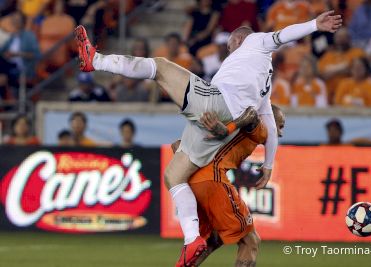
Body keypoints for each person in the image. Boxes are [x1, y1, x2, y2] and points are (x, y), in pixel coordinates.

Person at [75, 11, 342, 265]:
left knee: (160, 67)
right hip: (219, 126)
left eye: (229, 45)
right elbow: (269, 122)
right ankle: (192, 239)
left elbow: (282, 35)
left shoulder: (254, 41)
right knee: (173, 176)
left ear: (239, 38)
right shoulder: (265, 83)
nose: (228, 50)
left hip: (217, 104)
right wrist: (269, 164)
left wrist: (314, 26)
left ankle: (95, 60)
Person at [172, 105, 285, 267]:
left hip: (193, 178)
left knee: (212, 239)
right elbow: (252, 114)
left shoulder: (235, 125)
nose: (280, 133)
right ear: (269, 121)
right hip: (212, 178)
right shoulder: (259, 127)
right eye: (279, 126)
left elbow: (179, 144)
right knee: (250, 241)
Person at [317, 27, 365, 103]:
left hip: (351, 96)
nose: (341, 40)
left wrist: (332, 70)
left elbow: (356, 71)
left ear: (349, 38)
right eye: (339, 37)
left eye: (344, 37)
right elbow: (322, 75)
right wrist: (343, 68)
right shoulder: (328, 56)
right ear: (335, 39)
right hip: (329, 96)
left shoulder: (357, 53)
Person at [0, 11, 40, 82]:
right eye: (14, 19)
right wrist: (5, 54)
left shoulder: (29, 36)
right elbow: (2, 51)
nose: (15, 22)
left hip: (22, 68)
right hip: (8, 65)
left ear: (23, 22)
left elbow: (37, 55)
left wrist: (17, 54)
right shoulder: (11, 37)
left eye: (17, 20)